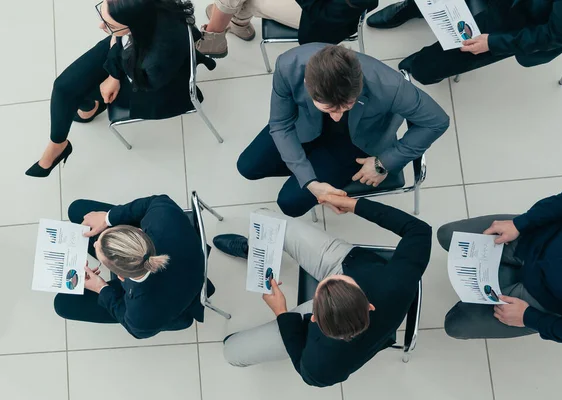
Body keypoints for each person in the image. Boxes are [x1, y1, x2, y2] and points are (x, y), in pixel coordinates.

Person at [211, 194, 432, 387]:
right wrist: (352, 204)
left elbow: (303, 367)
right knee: (265, 218)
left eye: (323, 289)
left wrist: (281, 312)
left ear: (314, 319)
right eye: (343, 283)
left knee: (232, 353)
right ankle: (255, 250)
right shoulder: (398, 280)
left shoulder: (324, 366)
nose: (328, 280)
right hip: (346, 261)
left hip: (338, 297)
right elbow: (420, 230)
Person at [237, 43, 449, 217]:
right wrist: (309, 180)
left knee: (290, 203)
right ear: (307, 85)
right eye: (328, 108)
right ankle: (313, 168)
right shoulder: (288, 65)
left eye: (346, 107)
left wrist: (383, 163)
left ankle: (322, 169)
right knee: (247, 166)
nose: (337, 116)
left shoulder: (390, 86)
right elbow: (280, 123)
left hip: (355, 144)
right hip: (304, 125)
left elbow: (437, 121)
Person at [26, 0, 215, 178]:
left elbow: (144, 82)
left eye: (110, 26)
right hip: (126, 50)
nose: (101, 27)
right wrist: (113, 72)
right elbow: (120, 42)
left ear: (133, 26)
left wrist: (115, 74)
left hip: (148, 84)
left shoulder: (157, 58)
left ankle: (85, 111)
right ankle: (60, 141)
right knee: (64, 87)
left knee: (74, 93)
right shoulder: (142, 12)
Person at [438, 182, 562, 352]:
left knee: (455, 325)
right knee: (447, 234)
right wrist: (520, 223)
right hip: (532, 239)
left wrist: (529, 318)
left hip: (546, 300)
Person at [53, 194, 214, 339]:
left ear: (121, 277)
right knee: (78, 210)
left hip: (170, 304)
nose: (95, 243)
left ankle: (181, 320)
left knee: (63, 304)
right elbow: (154, 201)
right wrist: (107, 219)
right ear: (138, 231)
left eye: (98, 245)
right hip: (187, 255)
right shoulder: (163, 216)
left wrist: (101, 287)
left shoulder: (140, 315)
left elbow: (134, 327)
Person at [366, 0, 562, 85]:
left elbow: (553, 35)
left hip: (520, 20)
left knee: (429, 67)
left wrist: (494, 43)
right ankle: (415, 6)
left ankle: (421, 64)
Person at [195, 0, 379, 58]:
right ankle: (235, 24)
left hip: (321, 19)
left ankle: (216, 36)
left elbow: (326, 14)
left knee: (244, 2)